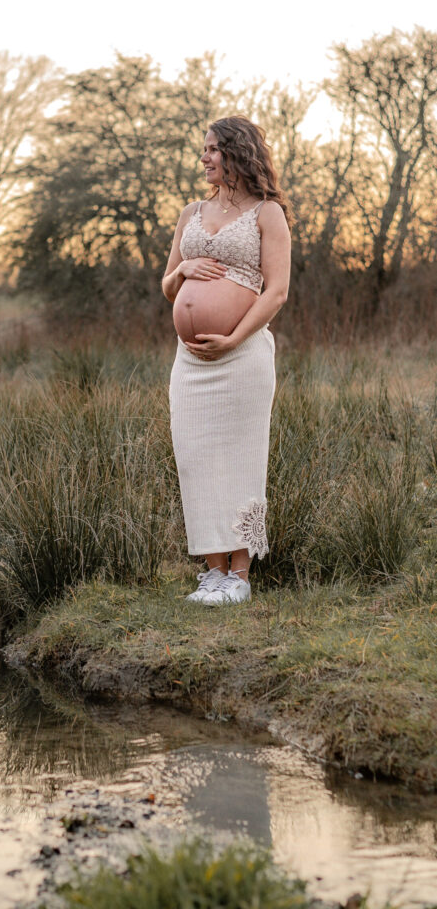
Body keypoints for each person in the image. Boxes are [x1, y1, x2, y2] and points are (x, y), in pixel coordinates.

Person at [162, 115, 291, 605]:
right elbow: (167, 283)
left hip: (242, 358)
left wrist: (233, 338)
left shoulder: (267, 213)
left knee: (240, 460)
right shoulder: (190, 212)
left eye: (213, 148)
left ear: (237, 152)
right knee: (195, 461)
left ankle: (239, 575)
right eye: (204, 149)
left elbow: (276, 291)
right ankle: (212, 572)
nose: (205, 157)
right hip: (190, 364)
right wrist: (183, 273)